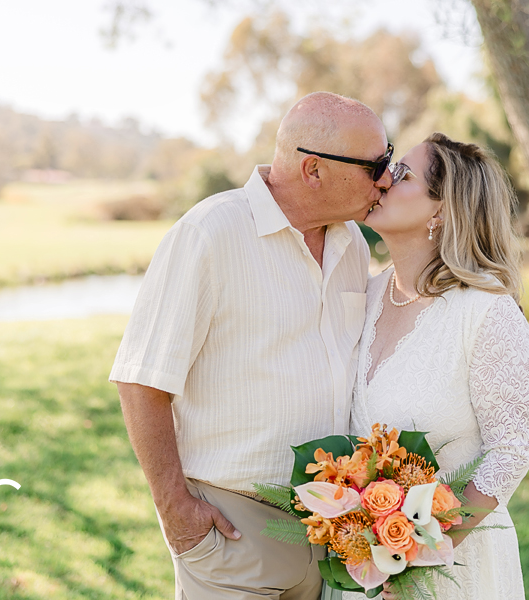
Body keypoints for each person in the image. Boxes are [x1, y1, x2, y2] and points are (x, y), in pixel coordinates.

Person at [109, 91, 393, 600]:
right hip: (231, 529)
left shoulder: (352, 244)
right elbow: (140, 380)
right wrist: (179, 513)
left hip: (330, 532)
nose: (387, 179)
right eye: (376, 165)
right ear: (313, 170)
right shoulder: (209, 233)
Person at [345, 133, 529, 599]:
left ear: (443, 209)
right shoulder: (365, 295)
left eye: (403, 173)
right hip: (363, 568)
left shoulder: (485, 311)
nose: (383, 179)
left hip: (450, 571)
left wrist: (416, 552)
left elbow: (510, 451)